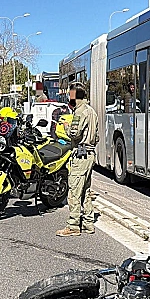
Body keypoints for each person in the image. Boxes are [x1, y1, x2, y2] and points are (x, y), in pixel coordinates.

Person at [56, 82, 98, 237]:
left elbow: (74, 134)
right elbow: (97, 135)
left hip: (80, 155)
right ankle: (88, 223)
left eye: (70, 94)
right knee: (85, 191)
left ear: (73, 95)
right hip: (90, 154)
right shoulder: (92, 111)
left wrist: (66, 125)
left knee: (74, 192)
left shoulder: (80, 112)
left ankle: (73, 225)